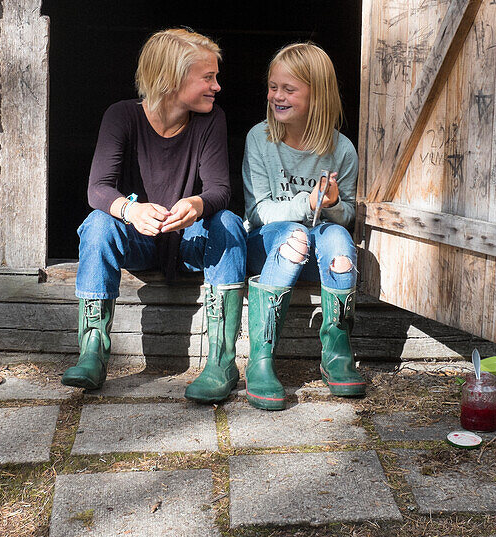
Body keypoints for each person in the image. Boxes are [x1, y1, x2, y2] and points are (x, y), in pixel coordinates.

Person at [64, 28, 247, 403]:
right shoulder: (121, 116)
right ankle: (92, 352)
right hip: (140, 239)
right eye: (208, 77)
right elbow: (97, 188)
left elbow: (219, 190)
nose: (217, 86)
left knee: (227, 222)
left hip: (190, 240)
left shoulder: (211, 120)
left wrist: (196, 205)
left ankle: (221, 362)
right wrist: (131, 210)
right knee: (98, 222)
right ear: (171, 80)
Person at [241, 42, 365, 411]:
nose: (276, 96)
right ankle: (260, 359)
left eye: (288, 89)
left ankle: (337, 350)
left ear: (318, 94)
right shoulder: (259, 139)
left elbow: (350, 216)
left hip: (318, 248)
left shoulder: (341, 150)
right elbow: (258, 211)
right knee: (294, 234)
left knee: (341, 241)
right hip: (267, 245)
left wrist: (331, 205)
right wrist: (306, 203)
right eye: (273, 86)